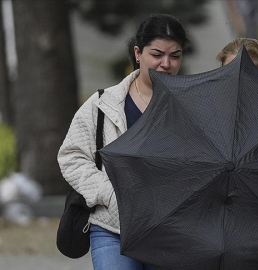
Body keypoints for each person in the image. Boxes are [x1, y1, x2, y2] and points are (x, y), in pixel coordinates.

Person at [57, 14, 190, 270]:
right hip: (112, 228)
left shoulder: (190, 107)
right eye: (157, 54)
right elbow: (71, 155)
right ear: (138, 53)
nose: (166, 63)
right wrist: (108, 194)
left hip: (171, 232)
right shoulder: (103, 104)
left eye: (175, 55)